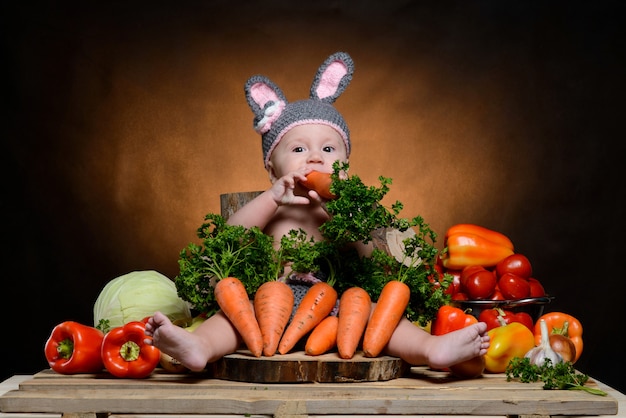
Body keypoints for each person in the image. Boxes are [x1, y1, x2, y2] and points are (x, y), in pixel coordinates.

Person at [145, 52, 489, 372]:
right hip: (270, 306)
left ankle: (432, 350)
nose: (315, 157)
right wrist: (270, 200)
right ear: (272, 170)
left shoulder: (348, 210)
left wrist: (344, 217)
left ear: (346, 168)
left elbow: (369, 261)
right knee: (231, 316)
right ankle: (200, 347)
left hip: (340, 308)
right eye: (298, 148)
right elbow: (230, 241)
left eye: (328, 148)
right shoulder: (272, 205)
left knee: (383, 318)